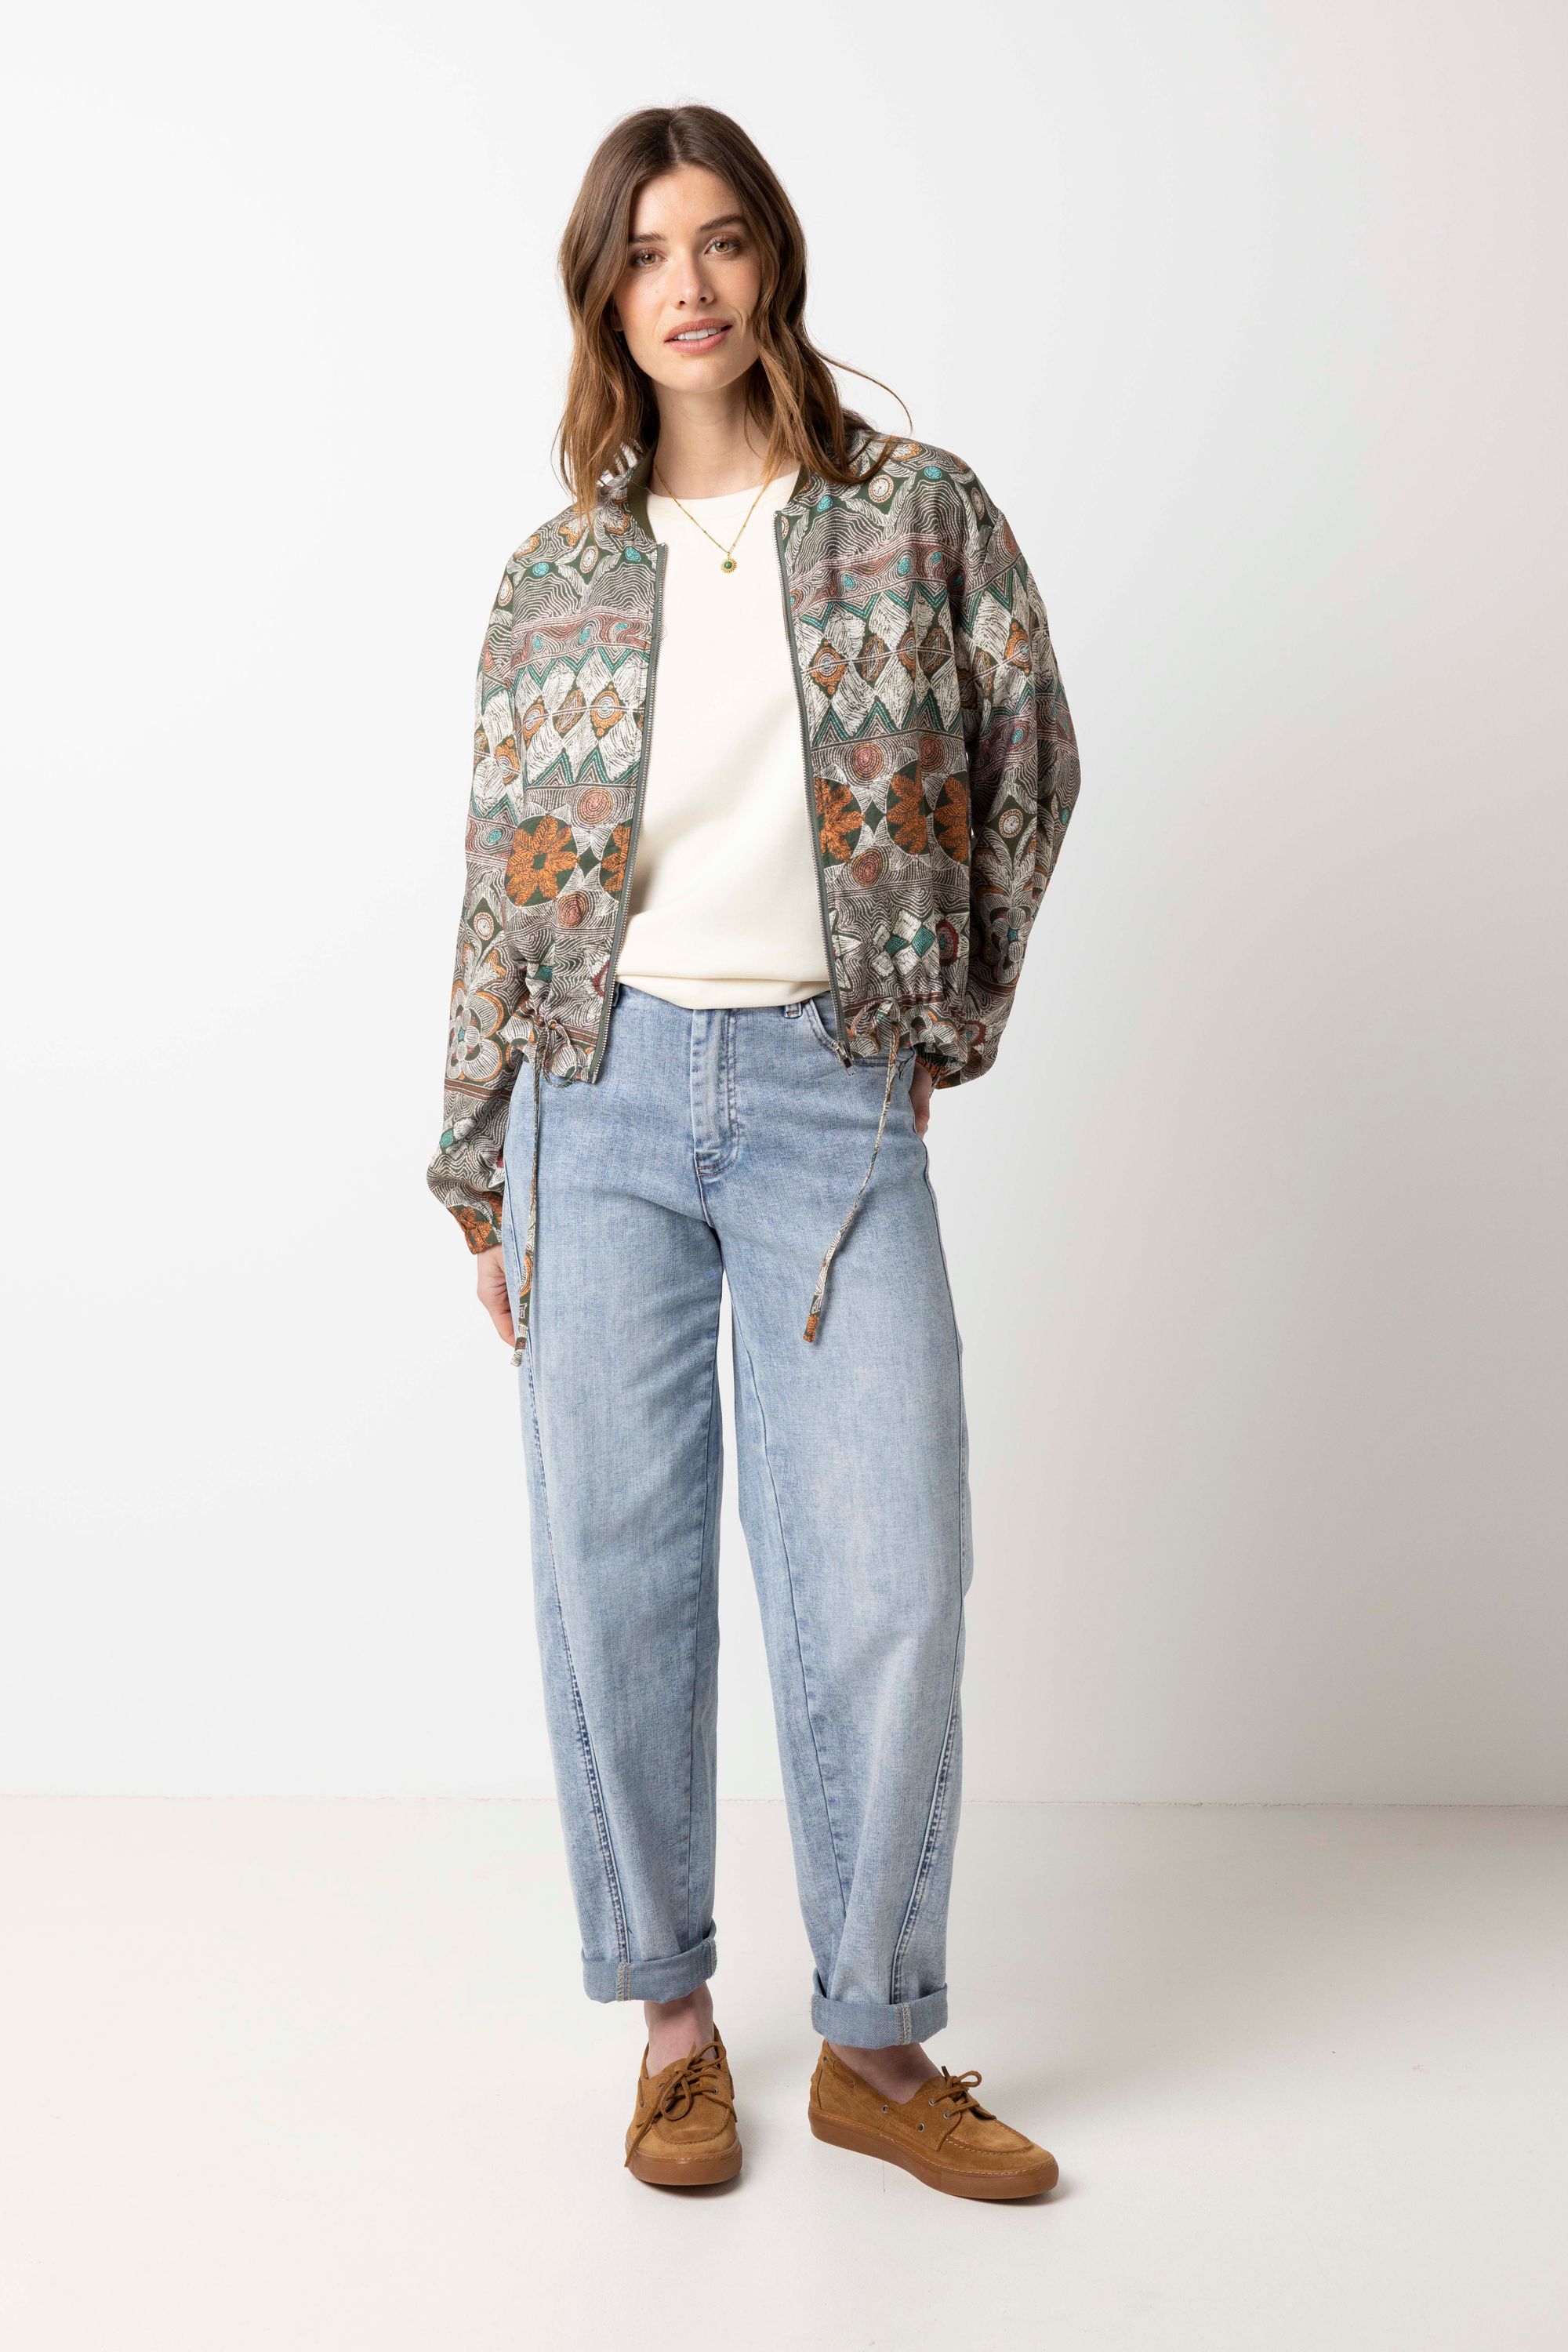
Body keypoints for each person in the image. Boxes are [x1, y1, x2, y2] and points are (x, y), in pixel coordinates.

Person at [427, 102, 1080, 2200]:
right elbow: (498, 884)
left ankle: (875, 2043)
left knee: (891, 1573)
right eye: (646, 254)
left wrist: (938, 1012)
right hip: (595, 1101)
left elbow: (1035, 753)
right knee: (615, 1573)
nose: (688, 285)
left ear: (770, 260)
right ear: (604, 295)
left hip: (827, 1094)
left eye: (717, 241)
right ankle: (675, 2029)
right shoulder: (556, 578)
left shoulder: (912, 516)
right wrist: (479, 1167)